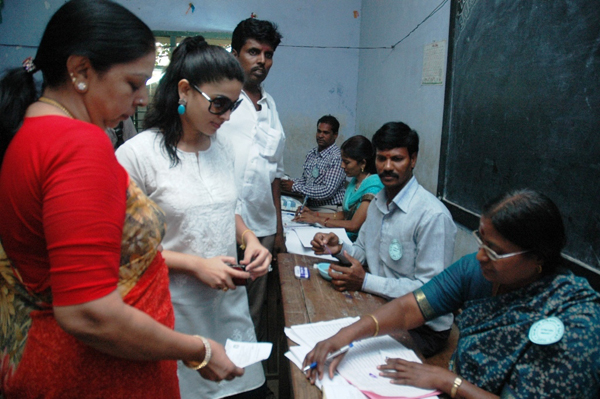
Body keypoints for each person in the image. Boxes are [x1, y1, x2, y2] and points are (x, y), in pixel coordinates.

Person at [0, 1, 242, 398]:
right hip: (92, 373)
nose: (143, 98)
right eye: (132, 84)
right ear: (80, 71)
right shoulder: (78, 145)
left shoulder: (32, 131)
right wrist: (197, 349)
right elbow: (89, 312)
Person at [305, 189, 600, 398]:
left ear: (538, 257)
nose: (481, 256)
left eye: (495, 252)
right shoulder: (475, 269)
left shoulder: (575, 326)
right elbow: (410, 308)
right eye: (481, 241)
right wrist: (345, 334)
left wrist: (449, 381)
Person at [116, 36, 271, 399]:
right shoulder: (137, 156)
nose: (227, 116)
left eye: (232, 106)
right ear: (185, 91)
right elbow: (119, 248)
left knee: (245, 389)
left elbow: (225, 208)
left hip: (229, 311)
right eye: (219, 104)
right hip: (172, 317)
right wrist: (193, 265)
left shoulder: (224, 148)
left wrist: (248, 238)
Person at [312, 122, 456, 357]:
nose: (387, 167)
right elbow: (362, 250)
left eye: (397, 159)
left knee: (350, 352)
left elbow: (429, 293)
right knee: (325, 330)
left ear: (413, 160)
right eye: (381, 159)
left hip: (422, 326)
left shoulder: (432, 216)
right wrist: (338, 249)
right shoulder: (379, 202)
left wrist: (366, 282)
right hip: (383, 304)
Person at [217, 17, 285, 339]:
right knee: (216, 308)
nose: (261, 61)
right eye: (253, 52)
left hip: (262, 226)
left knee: (252, 314)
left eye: (268, 54)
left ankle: (250, 382)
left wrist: (279, 231)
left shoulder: (271, 108)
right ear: (234, 53)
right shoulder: (219, 104)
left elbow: (275, 175)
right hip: (220, 224)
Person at [294, 135, 383, 241]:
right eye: (342, 161)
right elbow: (344, 215)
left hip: (361, 242)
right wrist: (313, 214)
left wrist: (317, 220)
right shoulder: (355, 182)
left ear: (363, 163)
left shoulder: (373, 186)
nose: (342, 166)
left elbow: (353, 225)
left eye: (347, 162)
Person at [281, 115, 346, 212]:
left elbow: (327, 191)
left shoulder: (337, 157)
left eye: (325, 133)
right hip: (309, 205)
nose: (320, 135)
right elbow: (305, 181)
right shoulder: (312, 154)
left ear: (335, 135)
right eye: (319, 131)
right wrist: (286, 182)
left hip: (329, 208)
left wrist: (294, 187)